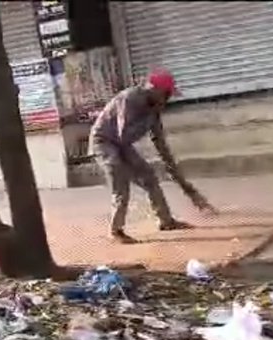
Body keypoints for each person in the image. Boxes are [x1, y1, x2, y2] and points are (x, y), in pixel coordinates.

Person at [89, 68, 215, 244]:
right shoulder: (130, 99)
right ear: (154, 90)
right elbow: (122, 133)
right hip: (104, 141)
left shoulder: (154, 110)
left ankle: (166, 221)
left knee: (149, 177)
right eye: (166, 94)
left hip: (122, 144)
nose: (167, 99)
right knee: (120, 177)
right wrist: (147, 115)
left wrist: (188, 189)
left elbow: (161, 147)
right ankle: (116, 230)